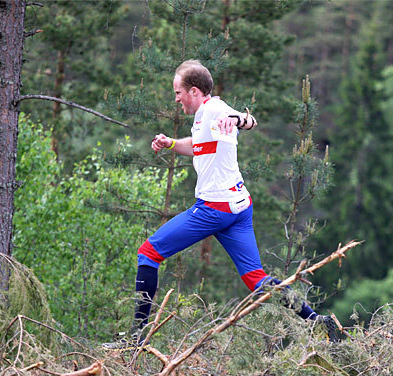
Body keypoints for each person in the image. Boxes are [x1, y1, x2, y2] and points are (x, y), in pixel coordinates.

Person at [103, 60, 338, 349]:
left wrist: (238, 120)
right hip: (239, 206)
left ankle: (134, 341)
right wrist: (170, 143)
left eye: (177, 93)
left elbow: (249, 121)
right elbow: (199, 145)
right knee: (256, 278)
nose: (175, 99)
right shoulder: (203, 116)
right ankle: (316, 320)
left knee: (148, 253)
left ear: (193, 91)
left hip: (215, 209)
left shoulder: (215, 109)